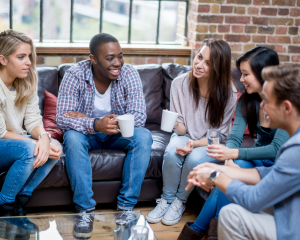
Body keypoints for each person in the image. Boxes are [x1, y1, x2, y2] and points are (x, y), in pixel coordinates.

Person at [177, 46, 289, 240]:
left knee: (228, 174)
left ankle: (196, 233)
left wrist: (234, 155)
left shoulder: (286, 105)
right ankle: (214, 234)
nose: (241, 79)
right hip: (259, 162)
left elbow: (275, 149)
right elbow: (235, 138)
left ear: (265, 75)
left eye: (246, 74)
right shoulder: (247, 100)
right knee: (229, 171)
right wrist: (229, 161)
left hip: (278, 164)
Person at [56, 33, 153, 239]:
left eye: (120, 56)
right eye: (110, 58)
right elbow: (62, 119)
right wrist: (94, 123)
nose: (117, 62)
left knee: (143, 136)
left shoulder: (129, 73)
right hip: (88, 134)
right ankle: (85, 212)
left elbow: (139, 117)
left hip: (115, 133)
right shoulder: (74, 75)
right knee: (72, 138)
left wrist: (103, 123)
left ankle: (125, 210)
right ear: (93, 59)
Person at [146, 38, 237, 226]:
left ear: (218, 69)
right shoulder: (179, 83)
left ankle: (180, 201)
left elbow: (218, 136)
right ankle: (166, 199)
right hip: (184, 135)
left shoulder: (229, 92)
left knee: (195, 159)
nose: (199, 65)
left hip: (209, 141)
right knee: (172, 152)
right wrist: (173, 124)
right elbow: (182, 129)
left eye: (208, 63)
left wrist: (194, 145)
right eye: (199, 57)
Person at [0, 30, 62, 228]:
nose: (28, 62)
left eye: (29, 56)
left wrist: (44, 137)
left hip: (16, 140)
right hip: (3, 142)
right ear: (2, 59)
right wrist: (36, 143)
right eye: (21, 57)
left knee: (55, 146)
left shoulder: (27, 80)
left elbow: (34, 119)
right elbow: (1, 133)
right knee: (30, 149)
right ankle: (5, 205)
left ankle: (20, 203)